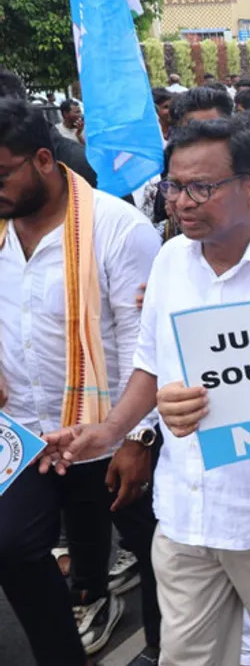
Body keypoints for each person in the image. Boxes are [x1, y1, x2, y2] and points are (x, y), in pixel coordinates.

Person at [41, 118, 250, 666]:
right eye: (173, 186)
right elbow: (150, 368)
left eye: (201, 187)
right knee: (187, 658)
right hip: (184, 515)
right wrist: (110, 431)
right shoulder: (170, 260)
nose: (180, 202)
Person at [0, 98, 162, 665]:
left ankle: (164, 650)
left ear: (43, 159)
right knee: (13, 546)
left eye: (0, 174)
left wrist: (138, 437)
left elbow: (149, 343)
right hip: (25, 432)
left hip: (112, 430)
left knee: (158, 557)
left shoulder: (118, 230)